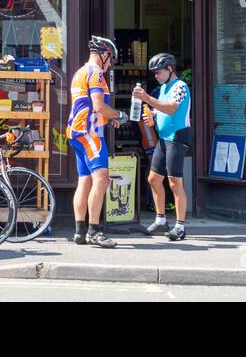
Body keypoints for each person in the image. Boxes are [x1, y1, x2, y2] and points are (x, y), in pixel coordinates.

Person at [67, 34, 125, 248]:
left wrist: (108, 119)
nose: (110, 65)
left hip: (76, 131)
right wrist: (118, 115)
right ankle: (94, 231)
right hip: (90, 134)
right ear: (104, 54)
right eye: (110, 59)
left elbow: (88, 107)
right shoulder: (96, 73)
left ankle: (80, 231)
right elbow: (99, 106)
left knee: (85, 180)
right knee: (102, 179)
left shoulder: (79, 73)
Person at [133, 52, 192, 241]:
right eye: (154, 73)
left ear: (170, 69)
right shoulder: (164, 87)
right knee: (153, 179)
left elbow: (172, 108)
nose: (156, 76)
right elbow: (162, 110)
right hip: (164, 138)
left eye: (158, 72)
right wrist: (153, 116)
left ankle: (180, 226)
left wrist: (148, 99)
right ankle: (160, 220)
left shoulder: (180, 86)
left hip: (177, 137)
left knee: (175, 182)